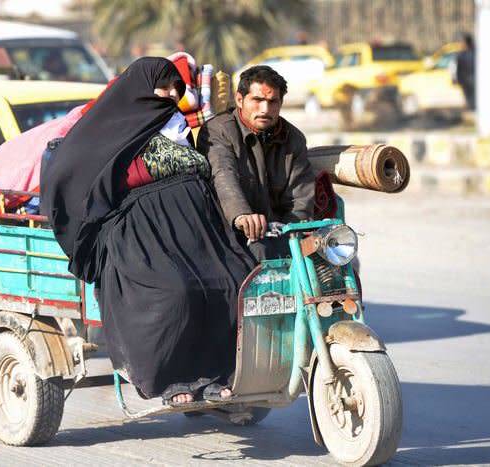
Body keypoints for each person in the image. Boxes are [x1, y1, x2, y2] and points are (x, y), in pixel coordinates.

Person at [40, 57, 255, 405]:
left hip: (195, 228)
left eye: (177, 88)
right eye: (164, 86)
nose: (171, 94)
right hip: (143, 233)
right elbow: (66, 173)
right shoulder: (110, 125)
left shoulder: (177, 125)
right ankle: (170, 379)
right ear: (141, 88)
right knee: (176, 293)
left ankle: (218, 374)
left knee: (233, 284)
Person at [197, 65, 315, 261]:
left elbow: (300, 200)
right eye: (257, 100)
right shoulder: (218, 130)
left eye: (272, 102)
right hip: (229, 232)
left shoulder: (293, 139)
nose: (265, 110)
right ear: (239, 100)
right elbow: (223, 175)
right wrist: (242, 215)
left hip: (280, 232)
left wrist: (290, 236)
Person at [454, 32, 475, 111]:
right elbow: (458, 69)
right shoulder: (461, 54)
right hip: (466, 81)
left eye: (462, 42)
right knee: (470, 100)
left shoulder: (473, 53)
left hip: (471, 81)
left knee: (473, 100)